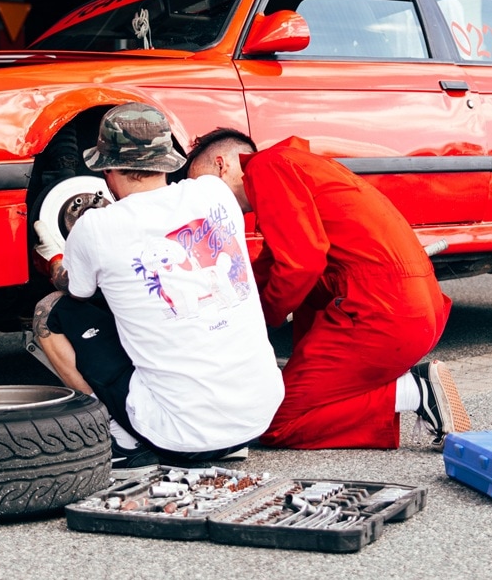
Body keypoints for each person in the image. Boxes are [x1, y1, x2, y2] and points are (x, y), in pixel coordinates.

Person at [32, 103, 283, 468]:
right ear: (167, 160)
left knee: (49, 312)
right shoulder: (214, 194)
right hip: (256, 419)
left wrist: (55, 258)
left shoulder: (95, 228)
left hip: (178, 436)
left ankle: (123, 439)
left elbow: (77, 292)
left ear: (107, 168)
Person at [187, 130, 468, 450]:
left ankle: (412, 391)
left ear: (222, 165)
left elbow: (301, 263)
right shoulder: (299, 166)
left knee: (275, 422)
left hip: (381, 312)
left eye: (200, 185)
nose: (201, 205)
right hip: (409, 307)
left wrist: (261, 322)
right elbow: (269, 267)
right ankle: (380, 388)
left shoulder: (267, 167)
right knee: (286, 391)